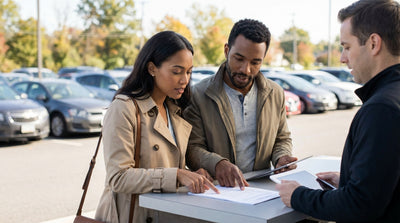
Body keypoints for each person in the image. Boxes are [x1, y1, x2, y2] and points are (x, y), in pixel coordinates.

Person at [276, 0, 400, 222]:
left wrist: (297, 195)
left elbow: (359, 205)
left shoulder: (381, 109)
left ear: (373, 43)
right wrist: (350, 180)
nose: (343, 58)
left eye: (347, 47)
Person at [95, 31, 219, 223]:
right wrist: (178, 175)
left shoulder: (175, 110)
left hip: (166, 214)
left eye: (188, 72)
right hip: (132, 215)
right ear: (152, 68)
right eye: (176, 71)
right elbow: (118, 178)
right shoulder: (124, 108)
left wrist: (192, 175)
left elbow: (164, 164)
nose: (184, 80)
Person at [183, 19, 297, 190]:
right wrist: (218, 163)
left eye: (255, 62)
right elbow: (191, 148)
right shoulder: (198, 94)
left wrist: (282, 157)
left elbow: (281, 138)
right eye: (239, 59)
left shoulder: (275, 93)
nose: (246, 69)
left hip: (261, 190)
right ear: (226, 50)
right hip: (218, 191)